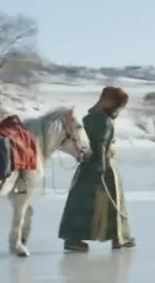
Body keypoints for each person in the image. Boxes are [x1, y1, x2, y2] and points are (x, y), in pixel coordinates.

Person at [58, 85, 135, 252]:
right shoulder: (103, 121)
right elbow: (99, 144)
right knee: (108, 204)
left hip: (86, 166)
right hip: (103, 167)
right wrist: (100, 166)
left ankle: (74, 238)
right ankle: (118, 238)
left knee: (81, 204)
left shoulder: (88, 118)